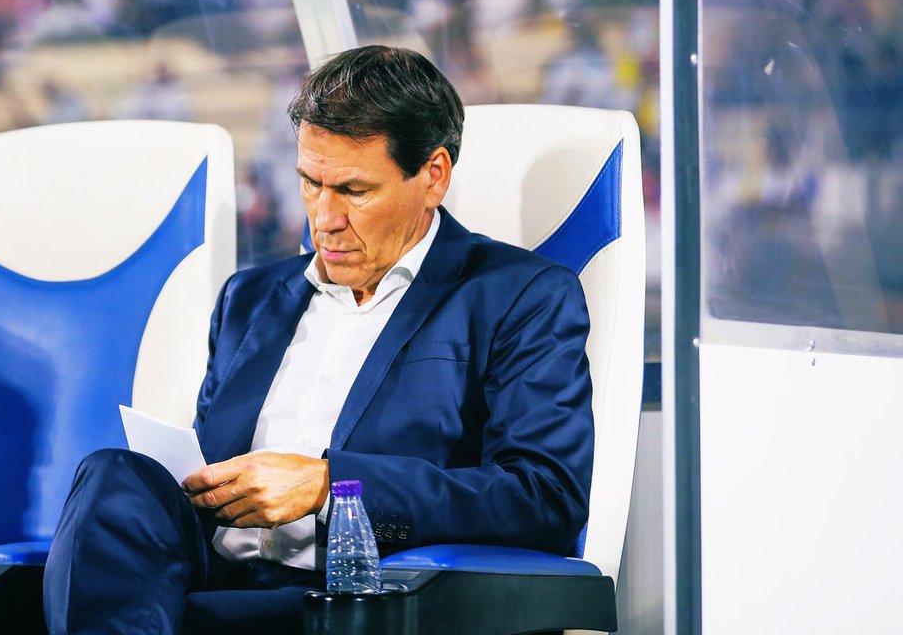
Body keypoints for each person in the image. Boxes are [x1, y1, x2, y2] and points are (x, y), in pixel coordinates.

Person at [43, 45, 594, 635]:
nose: (324, 219)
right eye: (310, 183)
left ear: (433, 176)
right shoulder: (248, 298)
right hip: (207, 580)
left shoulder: (517, 294)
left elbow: (544, 498)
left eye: (354, 190)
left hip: (357, 594)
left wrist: (330, 487)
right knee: (113, 475)